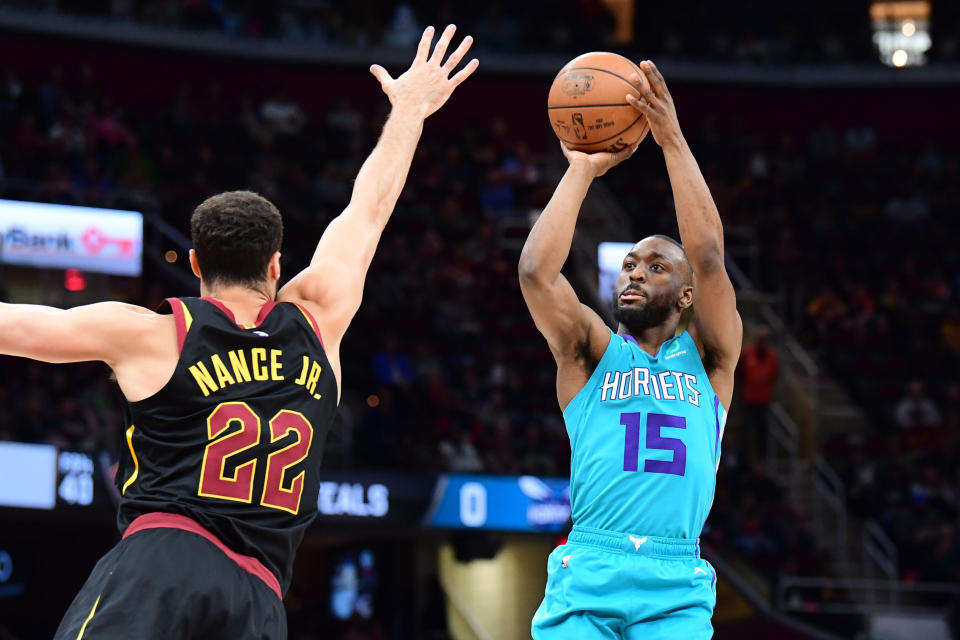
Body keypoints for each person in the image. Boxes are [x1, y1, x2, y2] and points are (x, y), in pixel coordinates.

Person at [0, 25, 477, 639]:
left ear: (195, 264)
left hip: (161, 564)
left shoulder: (153, 333)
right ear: (277, 264)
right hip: (259, 595)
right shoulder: (319, 318)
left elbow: (17, 329)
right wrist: (410, 110)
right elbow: (368, 209)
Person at [520, 60, 742, 639]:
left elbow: (710, 255)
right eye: (629, 264)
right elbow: (536, 273)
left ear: (686, 293)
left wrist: (670, 138)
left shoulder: (711, 357)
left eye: (656, 265)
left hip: (676, 579)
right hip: (590, 565)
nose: (635, 273)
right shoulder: (591, 351)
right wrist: (580, 172)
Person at [737, 325, 779, 464]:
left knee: (763, 432)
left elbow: (774, 376)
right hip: (748, 398)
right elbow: (739, 373)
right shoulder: (747, 353)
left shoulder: (772, 357)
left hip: (763, 400)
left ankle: (763, 461)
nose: (764, 341)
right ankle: (743, 460)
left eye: (766, 339)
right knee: (745, 431)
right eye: (762, 339)